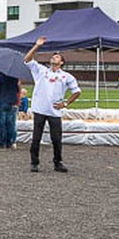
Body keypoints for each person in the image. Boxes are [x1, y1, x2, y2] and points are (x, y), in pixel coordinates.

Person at [24, 36, 81, 173]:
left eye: (57, 57)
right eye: (53, 56)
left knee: (56, 138)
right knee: (36, 137)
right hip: (39, 109)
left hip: (54, 111)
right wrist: (37, 46)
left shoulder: (66, 76)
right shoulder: (41, 70)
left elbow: (77, 91)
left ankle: (58, 162)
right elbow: (27, 60)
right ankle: (34, 162)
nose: (54, 58)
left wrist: (66, 103)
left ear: (61, 62)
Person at [0, 68, 20, 149]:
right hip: (12, 102)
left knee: (2, 124)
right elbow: (17, 90)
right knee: (11, 123)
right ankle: (10, 142)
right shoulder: (14, 77)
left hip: (1, 102)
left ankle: (2, 142)